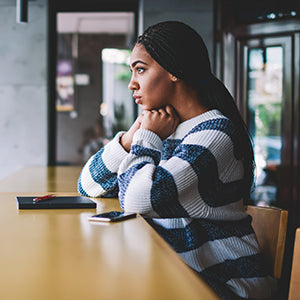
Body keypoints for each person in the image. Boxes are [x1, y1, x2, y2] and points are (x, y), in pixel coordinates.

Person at [78, 21, 273, 299]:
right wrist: (130, 138)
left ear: (173, 71)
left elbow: (138, 200)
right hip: (179, 274)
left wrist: (146, 137)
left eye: (140, 70)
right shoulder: (165, 130)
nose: (133, 83)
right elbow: (88, 185)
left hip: (224, 285)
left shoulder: (215, 133)